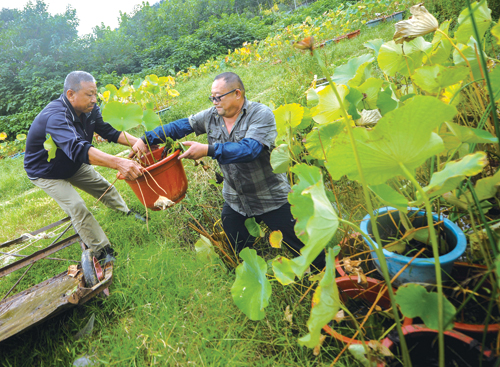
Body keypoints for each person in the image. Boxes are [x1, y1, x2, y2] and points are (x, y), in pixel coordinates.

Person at [130, 72, 325, 270]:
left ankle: (326, 277)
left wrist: (208, 150)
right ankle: (251, 273)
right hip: (236, 198)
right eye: (212, 97)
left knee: (307, 249)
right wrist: (146, 139)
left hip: (270, 196)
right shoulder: (212, 115)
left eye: (218, 97)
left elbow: (250, 149)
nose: (214, 101)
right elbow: (181, 126)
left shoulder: (260, 114)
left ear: (237, 93)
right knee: (239, 247)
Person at [24, 71, 144, 261]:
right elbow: (78, 148)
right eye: (90, 94)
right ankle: (103, 251)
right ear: (71, 94)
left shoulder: (89, 110)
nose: (94, 99)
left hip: (72, 162)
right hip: (46, 171)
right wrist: (119, 162)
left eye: (95, 94)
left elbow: (109, 132)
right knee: (77, 206)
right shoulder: (55, 116)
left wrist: (141, 142)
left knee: (105, 187)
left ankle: (125, 213)